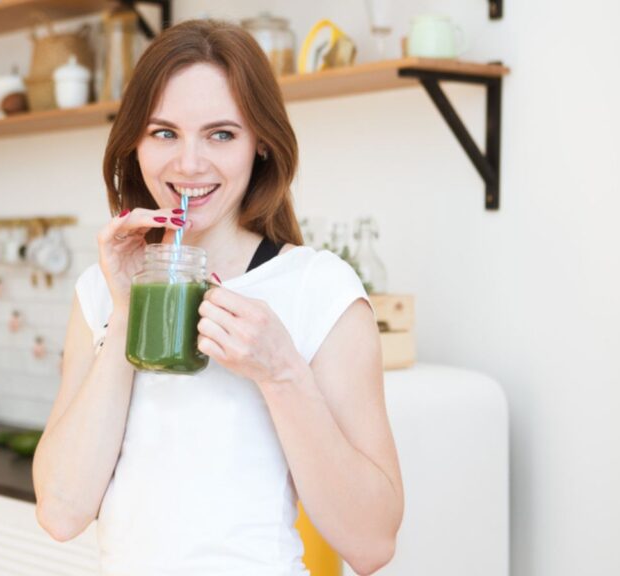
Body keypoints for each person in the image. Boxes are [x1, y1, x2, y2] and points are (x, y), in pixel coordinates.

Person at [33, 19, 403, 576]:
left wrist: (281, 373)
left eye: (221, 134)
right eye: (164, 133)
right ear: (133, 144)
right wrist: (128, 307)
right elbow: (61, 512)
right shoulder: (99, 290)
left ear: (260, 146)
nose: (189, 164)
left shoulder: (318, 289)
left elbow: (373, 544)